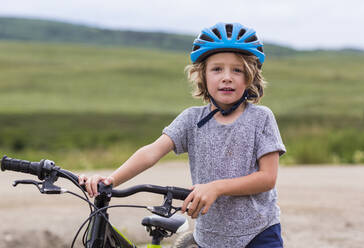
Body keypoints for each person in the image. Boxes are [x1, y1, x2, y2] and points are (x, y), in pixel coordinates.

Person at [79, 22, 286, 248]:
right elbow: (151, 152)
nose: (227, 77)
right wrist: (110, 180)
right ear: (202, 76)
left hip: (258, 234)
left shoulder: (260, 118)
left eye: (237, 70)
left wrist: (216, 187)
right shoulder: (191, 120)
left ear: (250, 77)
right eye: (217, 69)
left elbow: (267, 178)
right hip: (209, 237)